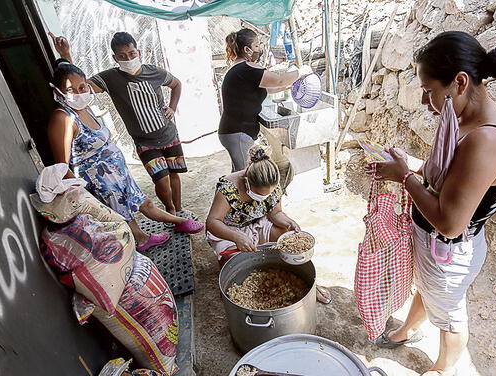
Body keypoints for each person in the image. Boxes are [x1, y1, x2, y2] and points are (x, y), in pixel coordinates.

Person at [367, 31, 496, 376]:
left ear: (459, 82)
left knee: (450, 317)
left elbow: (450, 222)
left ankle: (441, 368)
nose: (424, 101)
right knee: (428, 289)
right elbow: (453, 179)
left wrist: (405, 177)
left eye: (429, 90)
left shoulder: (486, 141)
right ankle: (407, 330)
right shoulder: (468, 122)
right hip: (436, 246)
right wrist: (415, 164)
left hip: (449, 249)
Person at [47, 60, 204, 252]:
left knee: (143, 203)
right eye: (72, 90)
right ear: (59, 92)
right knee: (122, 217)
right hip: (99, 183)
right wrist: (83, 196)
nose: (79, 93)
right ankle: (159, 230)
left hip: (118, 174)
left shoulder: (85, 109)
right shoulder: (62, 118)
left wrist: (65, 55)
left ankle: (171, 224)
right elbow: (62, 167)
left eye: (82, 87)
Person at [50, 32, 191, 217]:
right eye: (123, 56)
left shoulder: (154, 72)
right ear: (115, 58)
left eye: (132, 54)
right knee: (162, 179)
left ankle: (178, 209)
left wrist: (172, 107)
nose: (129, 59)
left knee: (174, 175)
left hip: (169, 134)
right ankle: (170, 210)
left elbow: (176, 84)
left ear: (138, 52)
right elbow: (81, 85)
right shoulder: (110, 78)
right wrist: (66, 56)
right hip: (144, 141)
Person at [206, 147, 331, 304]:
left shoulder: (272, 183)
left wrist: (288, 221)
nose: (263, 199)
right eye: (259, 195)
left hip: (257, 223)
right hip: (229, 229)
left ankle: (312, 284)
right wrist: (236, 237)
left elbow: (275, 213)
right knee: (231, 260)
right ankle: (232, 288)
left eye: (267, 195)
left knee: (284, 234)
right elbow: (212, 222)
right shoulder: (229, 188)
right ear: (247, 181)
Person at [218, 28, 313, 172]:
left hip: (234, 131)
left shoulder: (240, 70)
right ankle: (229, 194)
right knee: (244, 175)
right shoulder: (246, 69)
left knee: (239, 173)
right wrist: (301, 72)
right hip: (237, 132)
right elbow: (279, 80)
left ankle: (232, 194)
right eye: (257, 45)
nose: (260, 48)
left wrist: (292, 86)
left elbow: (271, 88)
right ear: (247, 49)